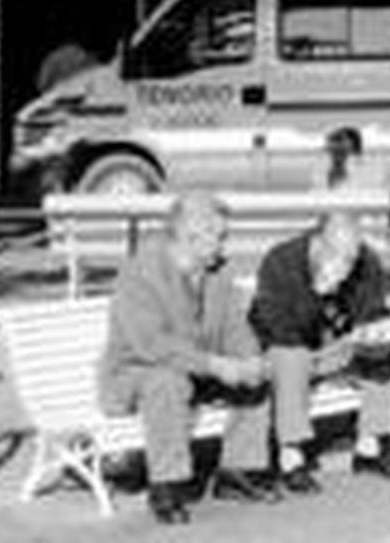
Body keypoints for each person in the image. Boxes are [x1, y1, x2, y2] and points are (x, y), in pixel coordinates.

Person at [98, 191, 275, 525]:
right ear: (192, 237)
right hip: (134, 375)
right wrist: (216, 365)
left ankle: (238, 472)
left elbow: (233, 329)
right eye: (220, 237)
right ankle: (166, 485)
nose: (225, 246)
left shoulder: (217, 276)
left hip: (196, 370)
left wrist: (250, 360)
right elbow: (151, 346)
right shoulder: (140, 273)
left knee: (256, 375)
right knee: (168, 381)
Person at [249, 212, 390, 489]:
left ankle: (369, 449)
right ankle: (291, 457)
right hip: (290, 348)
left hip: (338, 348)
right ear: (318, 243)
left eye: (351, 260)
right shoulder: (281, 261)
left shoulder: (365, 261)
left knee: (383, 354)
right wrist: (319, 291)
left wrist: (379, 331)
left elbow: (372, 310)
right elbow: (275, 326)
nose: (347, 268)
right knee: (293, 359)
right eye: (340, 258)